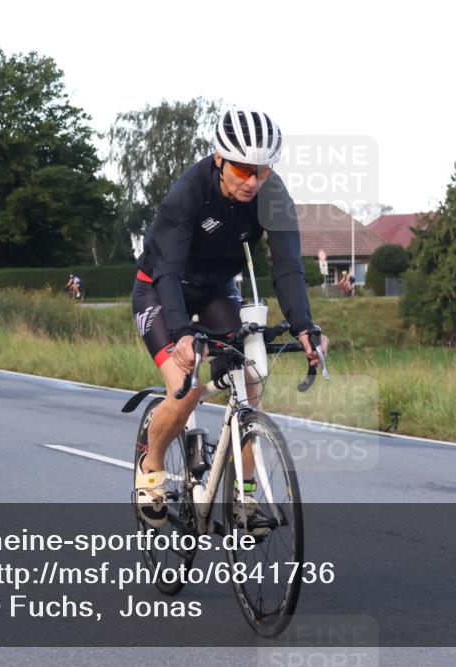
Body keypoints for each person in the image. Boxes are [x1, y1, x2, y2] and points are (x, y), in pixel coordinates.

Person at [132, 108, 328, 529]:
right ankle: (151, 465)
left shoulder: (272, 196)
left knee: (248, 379)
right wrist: (183, 334)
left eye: (262, 170)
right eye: (242, 169)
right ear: (220, 158)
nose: (252, 181)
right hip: (161, 287)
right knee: (184, 390)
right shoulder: (189, 190)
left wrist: (304, 326)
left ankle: (246, 497)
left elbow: (288, 268)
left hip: (218, 290)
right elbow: (167, 269)